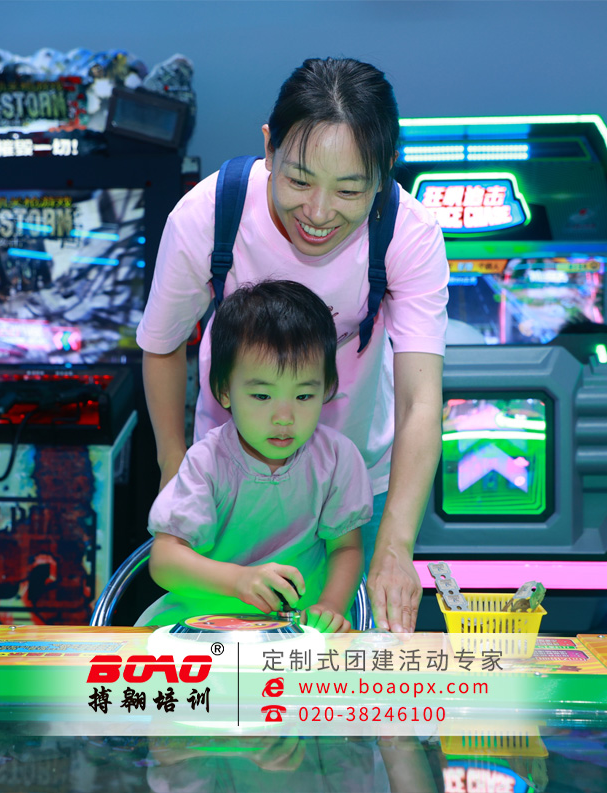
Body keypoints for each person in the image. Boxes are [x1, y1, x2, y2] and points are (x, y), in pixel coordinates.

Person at [137, 57, 447, 632]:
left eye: (350, 189)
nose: (319, 213)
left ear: (384, 172)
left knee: (348, 654)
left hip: (358, 478)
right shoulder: (209, 216)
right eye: (299, 181)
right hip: (231, 476)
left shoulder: (408, 233)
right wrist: (175, 470)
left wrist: (396, 545)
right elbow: (162, 345)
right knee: (223, 654)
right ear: (269, 148)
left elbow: (420, 400)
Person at [139, 281, 370, 630]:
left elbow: (345, 549)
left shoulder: (338, 458)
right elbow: (165, 560)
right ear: (224, 391)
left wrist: (331, 606)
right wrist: (239, 581)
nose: (284, 417)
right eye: (262, 396)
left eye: (303, 396)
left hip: (299, 628)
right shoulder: (207, 462)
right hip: (203, 623)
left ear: (327, 389)